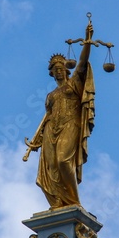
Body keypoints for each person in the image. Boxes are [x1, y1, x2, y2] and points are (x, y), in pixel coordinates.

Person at [35, 22, 95, 209]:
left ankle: (73, 201)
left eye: (61, 67)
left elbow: (83, 63)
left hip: (70, 124)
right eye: (55, 68)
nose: (59, 70)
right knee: (51, 167)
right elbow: (46, 116)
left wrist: (87, 41)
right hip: (51, 128)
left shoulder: (74, 84)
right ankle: (58, 201)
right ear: (51, 73)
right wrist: (37, 138)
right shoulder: (51, 95)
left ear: (67, 70)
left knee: (63, 161)